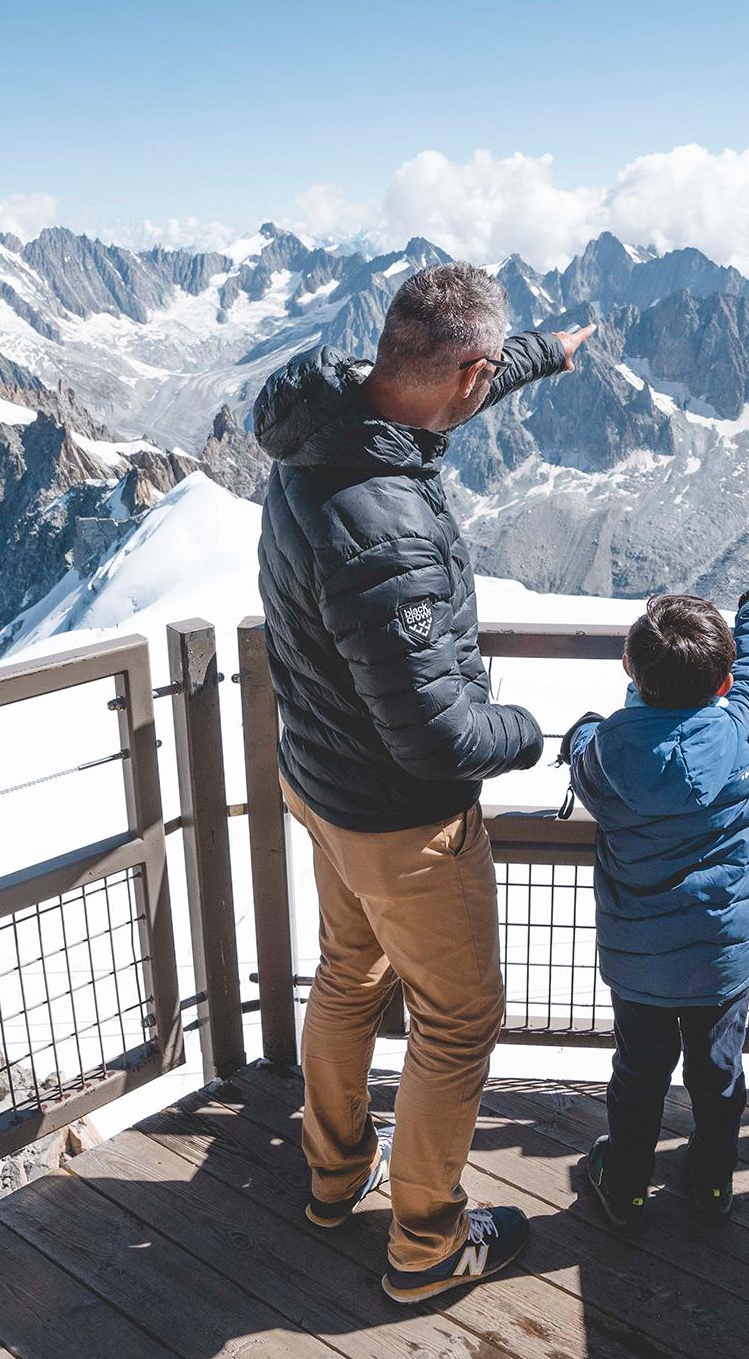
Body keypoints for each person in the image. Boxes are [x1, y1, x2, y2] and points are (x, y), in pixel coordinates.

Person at [252, 262, 595, 1302]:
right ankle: (427, 1245)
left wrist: (541, 358)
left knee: (347, 974)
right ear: (468, 375)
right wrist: (534, 733)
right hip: (401, 823)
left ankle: (331, 1173)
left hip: (316, 779)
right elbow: (438, 737)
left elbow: (442, 380)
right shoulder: (384, 524)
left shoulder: (324, 415)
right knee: (454, 1022)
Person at [561, 570, 749, 1230]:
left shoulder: (610, 752)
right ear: (722, 687)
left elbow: (584, 754)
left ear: (630, 673)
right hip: (724, 961)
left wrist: (583, 731)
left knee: (639, 1076)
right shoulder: (747, 733)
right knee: (718, 1072)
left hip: (641, 964)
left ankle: (628, 1184)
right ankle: (711, 1181)